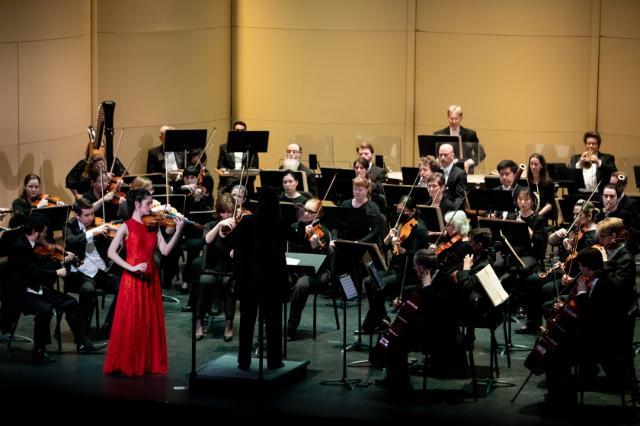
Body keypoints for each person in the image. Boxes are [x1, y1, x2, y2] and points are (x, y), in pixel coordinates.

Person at [540, 245, 634, 412]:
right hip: (594, 334)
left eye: (581, 266)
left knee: (555, 353)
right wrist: (564, 307)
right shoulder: (596, 280)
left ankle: (563, 402)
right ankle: (562, 397)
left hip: (601, 342)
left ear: (589, 267)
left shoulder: (604, 285)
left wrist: (582, 294)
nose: (580, 269)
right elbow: (587, 314)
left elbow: (591, 318)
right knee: (555, 346)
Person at [103, 189, 184, 376]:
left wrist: (177, 231)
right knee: (131, 321)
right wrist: (130, 267)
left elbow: (164, 251)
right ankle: (129, 362)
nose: (151, 207)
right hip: (132, 281)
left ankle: (145, 362)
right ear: (137, 205)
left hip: (150, 279)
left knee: (148, 321)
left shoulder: (153, 226)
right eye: (148, 204)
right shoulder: (126, 226)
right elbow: (111, 252)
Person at [5, 214, 105, 364]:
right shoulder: (19, 247)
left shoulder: (33, 245)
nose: (46, 236)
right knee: (45, 310)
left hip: (35, 287)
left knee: (71, 302)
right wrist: (57, 272)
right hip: (21, 291)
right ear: (35, 231)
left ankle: (84, 343)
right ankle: (39, 351)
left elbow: (42, 267)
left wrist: (62, 262)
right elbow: (34, 272)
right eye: (44, 232)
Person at [233, 188, 289, 371]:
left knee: (247, 321)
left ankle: (243, 361)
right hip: (272, 280)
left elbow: (232, 241)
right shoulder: (280, 223)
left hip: (250, 279)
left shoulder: (247, 221)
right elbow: (297, 239)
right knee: (273, 323)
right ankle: (274, 361)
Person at [361, 196, 428, 334]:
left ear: (412, 211)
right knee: (368, 282)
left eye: (402, 210)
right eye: (398, 210)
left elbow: (416, 255)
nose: (399, 213)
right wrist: (389, 238)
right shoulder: (400, 225)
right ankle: (382, 318)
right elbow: (384, 249)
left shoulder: (419, 229)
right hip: (394, 269)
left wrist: (401, 248)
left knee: (380, 286)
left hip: (407, 273)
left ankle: (371, 323)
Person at [64, 198, 120, 338]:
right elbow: (72, 241)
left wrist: (116, 238)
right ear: (78, 216)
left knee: (124, 286)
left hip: (99, 271)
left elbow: (107, 248)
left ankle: (108, 326)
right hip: (80, 273)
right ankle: (83, 330)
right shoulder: (69, 226)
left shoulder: (98, 225)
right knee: (87, 290)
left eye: (92, 214)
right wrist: (93, 232)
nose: (91, 218)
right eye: (87, 215)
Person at [187, 193, 238, 341]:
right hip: (212, 269)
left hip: (229, 270)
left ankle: (229, 324)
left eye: (229, 212)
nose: (227, 215)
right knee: (203, 283)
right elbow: (207, 240)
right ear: (218, 212)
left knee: (231, 285)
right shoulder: (210, 225)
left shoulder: (237, 227)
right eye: (223, 212)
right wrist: (219, 226)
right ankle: (199, 322)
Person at [286, 198, 334, 340]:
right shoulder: (295, 227)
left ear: (318, 215)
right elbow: (291, 252)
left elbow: (320, 262)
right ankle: (269, 324)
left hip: (318, 272)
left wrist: (314, 246)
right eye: (304, 210)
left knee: (301, 285)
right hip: (297, 269)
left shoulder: (323, 233)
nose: (305, 213)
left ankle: (291, 327)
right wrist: (300, 231)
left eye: (310, 211)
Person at [434, 105, 485, 173]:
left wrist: (469, 162)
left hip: (464, 170)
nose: (454, 121)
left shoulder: (470, 134)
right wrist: (438, 160)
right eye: (451, 118)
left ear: (461, 118)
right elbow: (433, 154)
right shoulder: (438, 134)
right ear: (448, 117)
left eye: (456, 118)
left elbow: (481, 153)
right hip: (443, 170)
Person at [217, 120, 259, 194]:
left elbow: (254, 169)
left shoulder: (251, 148)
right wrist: (233, 182)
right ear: (233, 131)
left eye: (242, 130)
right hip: (228, 185)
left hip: (245, 185)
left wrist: (241, 181)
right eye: (237, 130)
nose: (240, 132)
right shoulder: (223, 148)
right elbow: (220, 167)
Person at [437, 143, 467, 211]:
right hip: (436, 207)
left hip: (451, 210)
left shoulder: (460, 173)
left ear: (452, 156)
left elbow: (460, 198)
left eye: (445, 155)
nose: (442, 158)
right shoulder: (436, 171)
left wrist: (452, 209)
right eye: (440, 155)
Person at [526, 153, 556, 221]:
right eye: (531, 164)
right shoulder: (526, 181)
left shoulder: (548, 183)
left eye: (536, 164)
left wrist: (537, 216)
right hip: (528, 214)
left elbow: (550, 204)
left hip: (542, 216)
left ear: (541, 165)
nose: (533, 167)